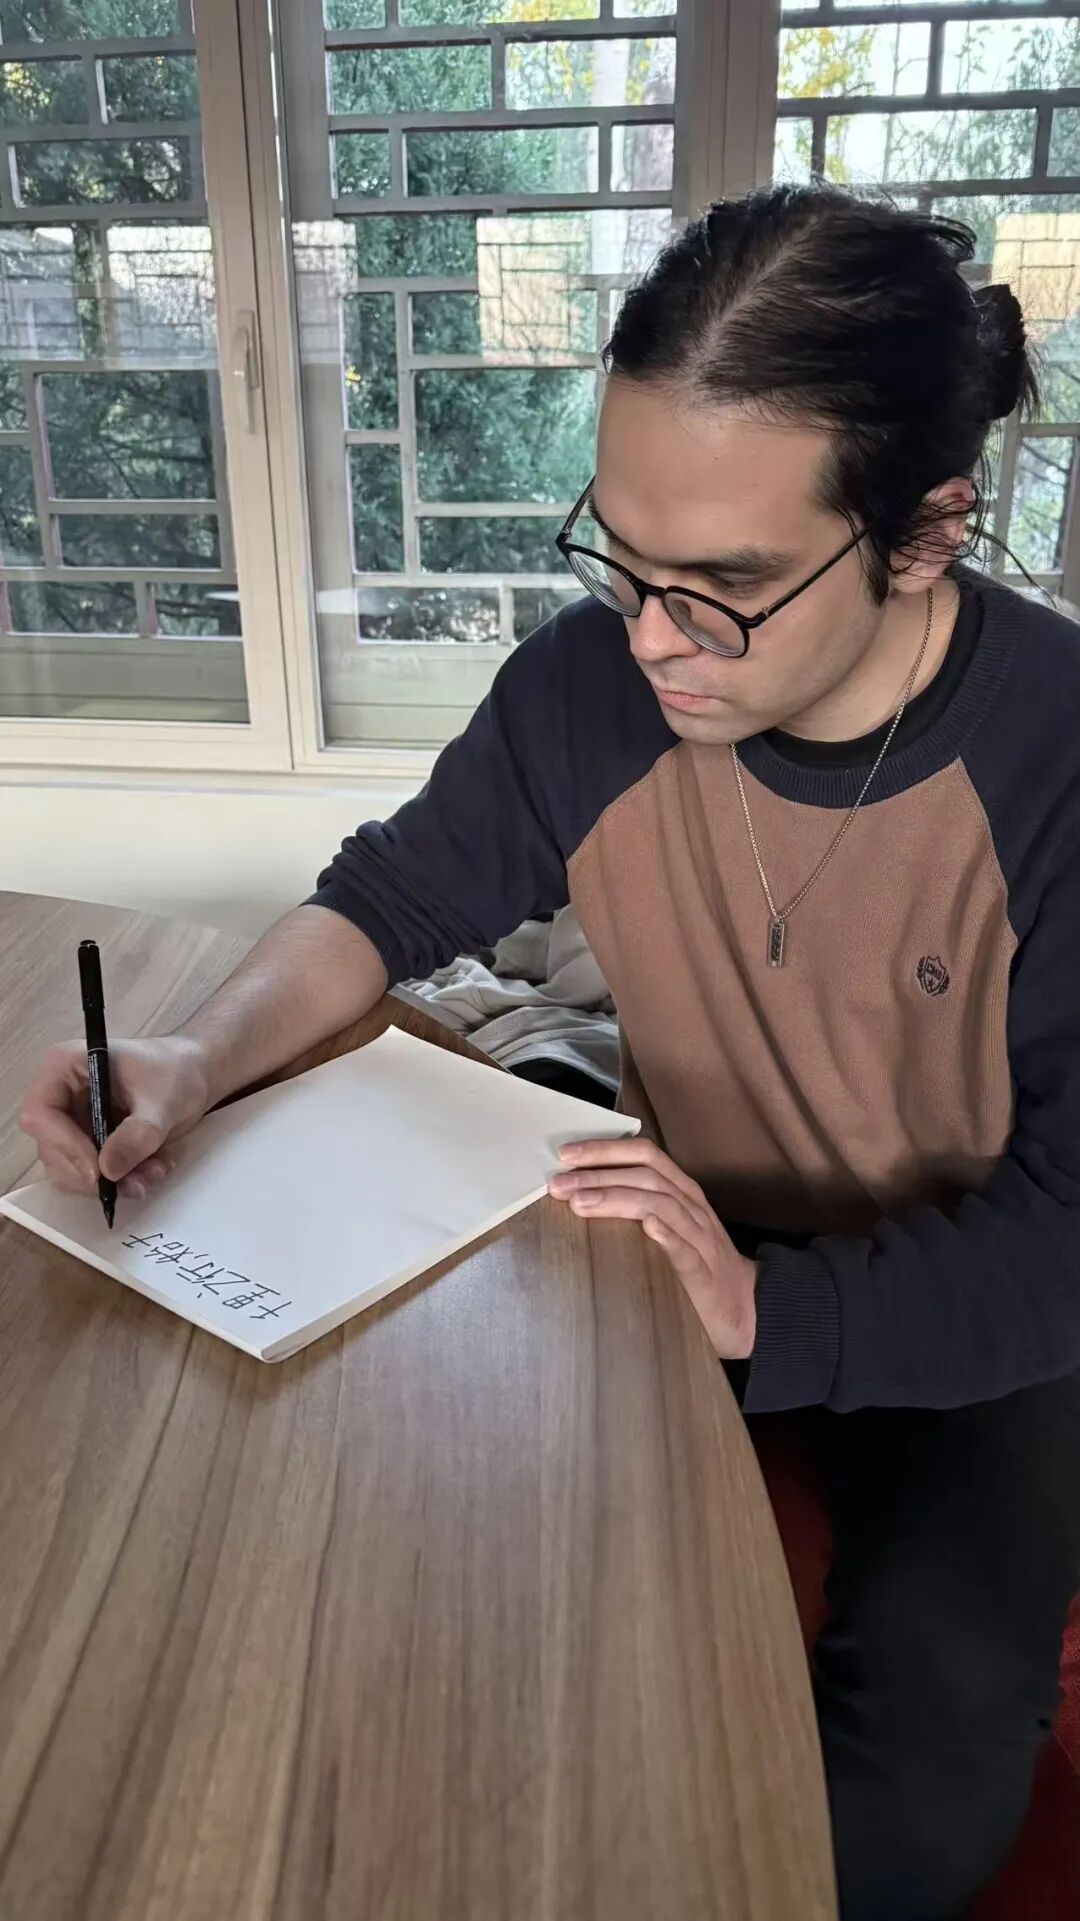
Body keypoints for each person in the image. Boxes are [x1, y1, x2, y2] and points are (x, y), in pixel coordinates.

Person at [20, 185, 1080, 1920]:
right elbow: (386, 900)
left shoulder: (1054, 756)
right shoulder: (591, 690)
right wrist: (193, 1059)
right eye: (626, 559)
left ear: (925, 531)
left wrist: (778, 1312)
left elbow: (1066, 1227)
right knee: (395, 1564)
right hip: (664, 1236)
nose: (652, 636)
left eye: (728, 586)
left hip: (980, 1312)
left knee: (913, 1800)